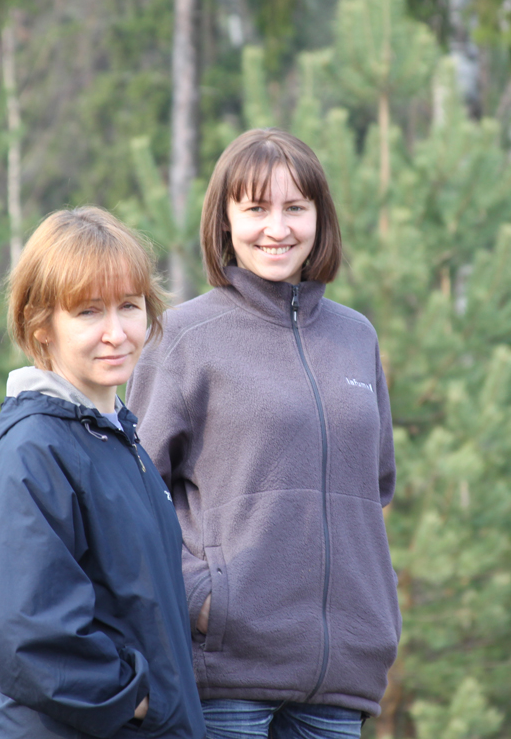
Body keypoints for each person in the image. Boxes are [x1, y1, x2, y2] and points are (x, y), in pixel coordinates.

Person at [128, 128, 400, 739]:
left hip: (340, 678)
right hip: (227, 677)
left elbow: (374, 489)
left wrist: (377, 612)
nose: (277, 228)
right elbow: (135, 496)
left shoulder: (357, 337)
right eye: (255, 208)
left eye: (295, 207)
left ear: (319, 218)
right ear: (225, 221)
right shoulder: (183, 338)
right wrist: (203, 600)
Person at [0, 206, 206, 739]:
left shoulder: (116, 437)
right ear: (40, 324)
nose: (116, 332)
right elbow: (27, 636)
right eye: (88, 312)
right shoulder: (34, 447)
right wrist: (144, 703)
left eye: (129, 306)